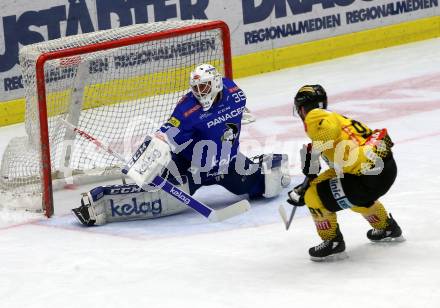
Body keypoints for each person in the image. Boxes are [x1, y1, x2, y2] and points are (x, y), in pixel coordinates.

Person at [72, 64, 290, 226]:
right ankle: (99, 202)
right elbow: (166, 133)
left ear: (215, 83)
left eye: (204, 87)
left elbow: (237, 114)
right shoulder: (187, 108)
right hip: (190, 167)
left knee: (267, 186)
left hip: (228, 164)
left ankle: (262, 164)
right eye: (196, 88)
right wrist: (148, 154)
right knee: (161, 201)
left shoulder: (234, 92)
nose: (199, 92)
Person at [287, 84, 403, 261]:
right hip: (384, 169)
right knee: (337, 190)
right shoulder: (338, 119)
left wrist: (313, 158)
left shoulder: (315, 117)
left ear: (302, 108)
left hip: (366, 179)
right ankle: (386, 227)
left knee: (313, 196)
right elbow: (338, 163)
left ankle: (332, 242)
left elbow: (328, 134)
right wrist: (307, 181)